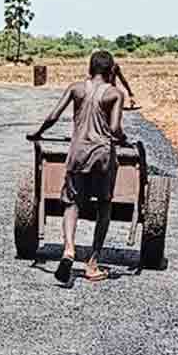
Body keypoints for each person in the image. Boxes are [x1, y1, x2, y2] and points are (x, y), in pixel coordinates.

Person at [28, 49, 128, 285]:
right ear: (111, 71)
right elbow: (114, 129)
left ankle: (69, 250)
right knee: (104, 204)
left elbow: (53, 116)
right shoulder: (115, 94)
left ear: (90, 69)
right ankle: (93, 263)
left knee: (71, 202)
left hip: (77, 153)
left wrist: (38, 133)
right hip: (102, 155)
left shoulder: (76, 88)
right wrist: (123, 140)